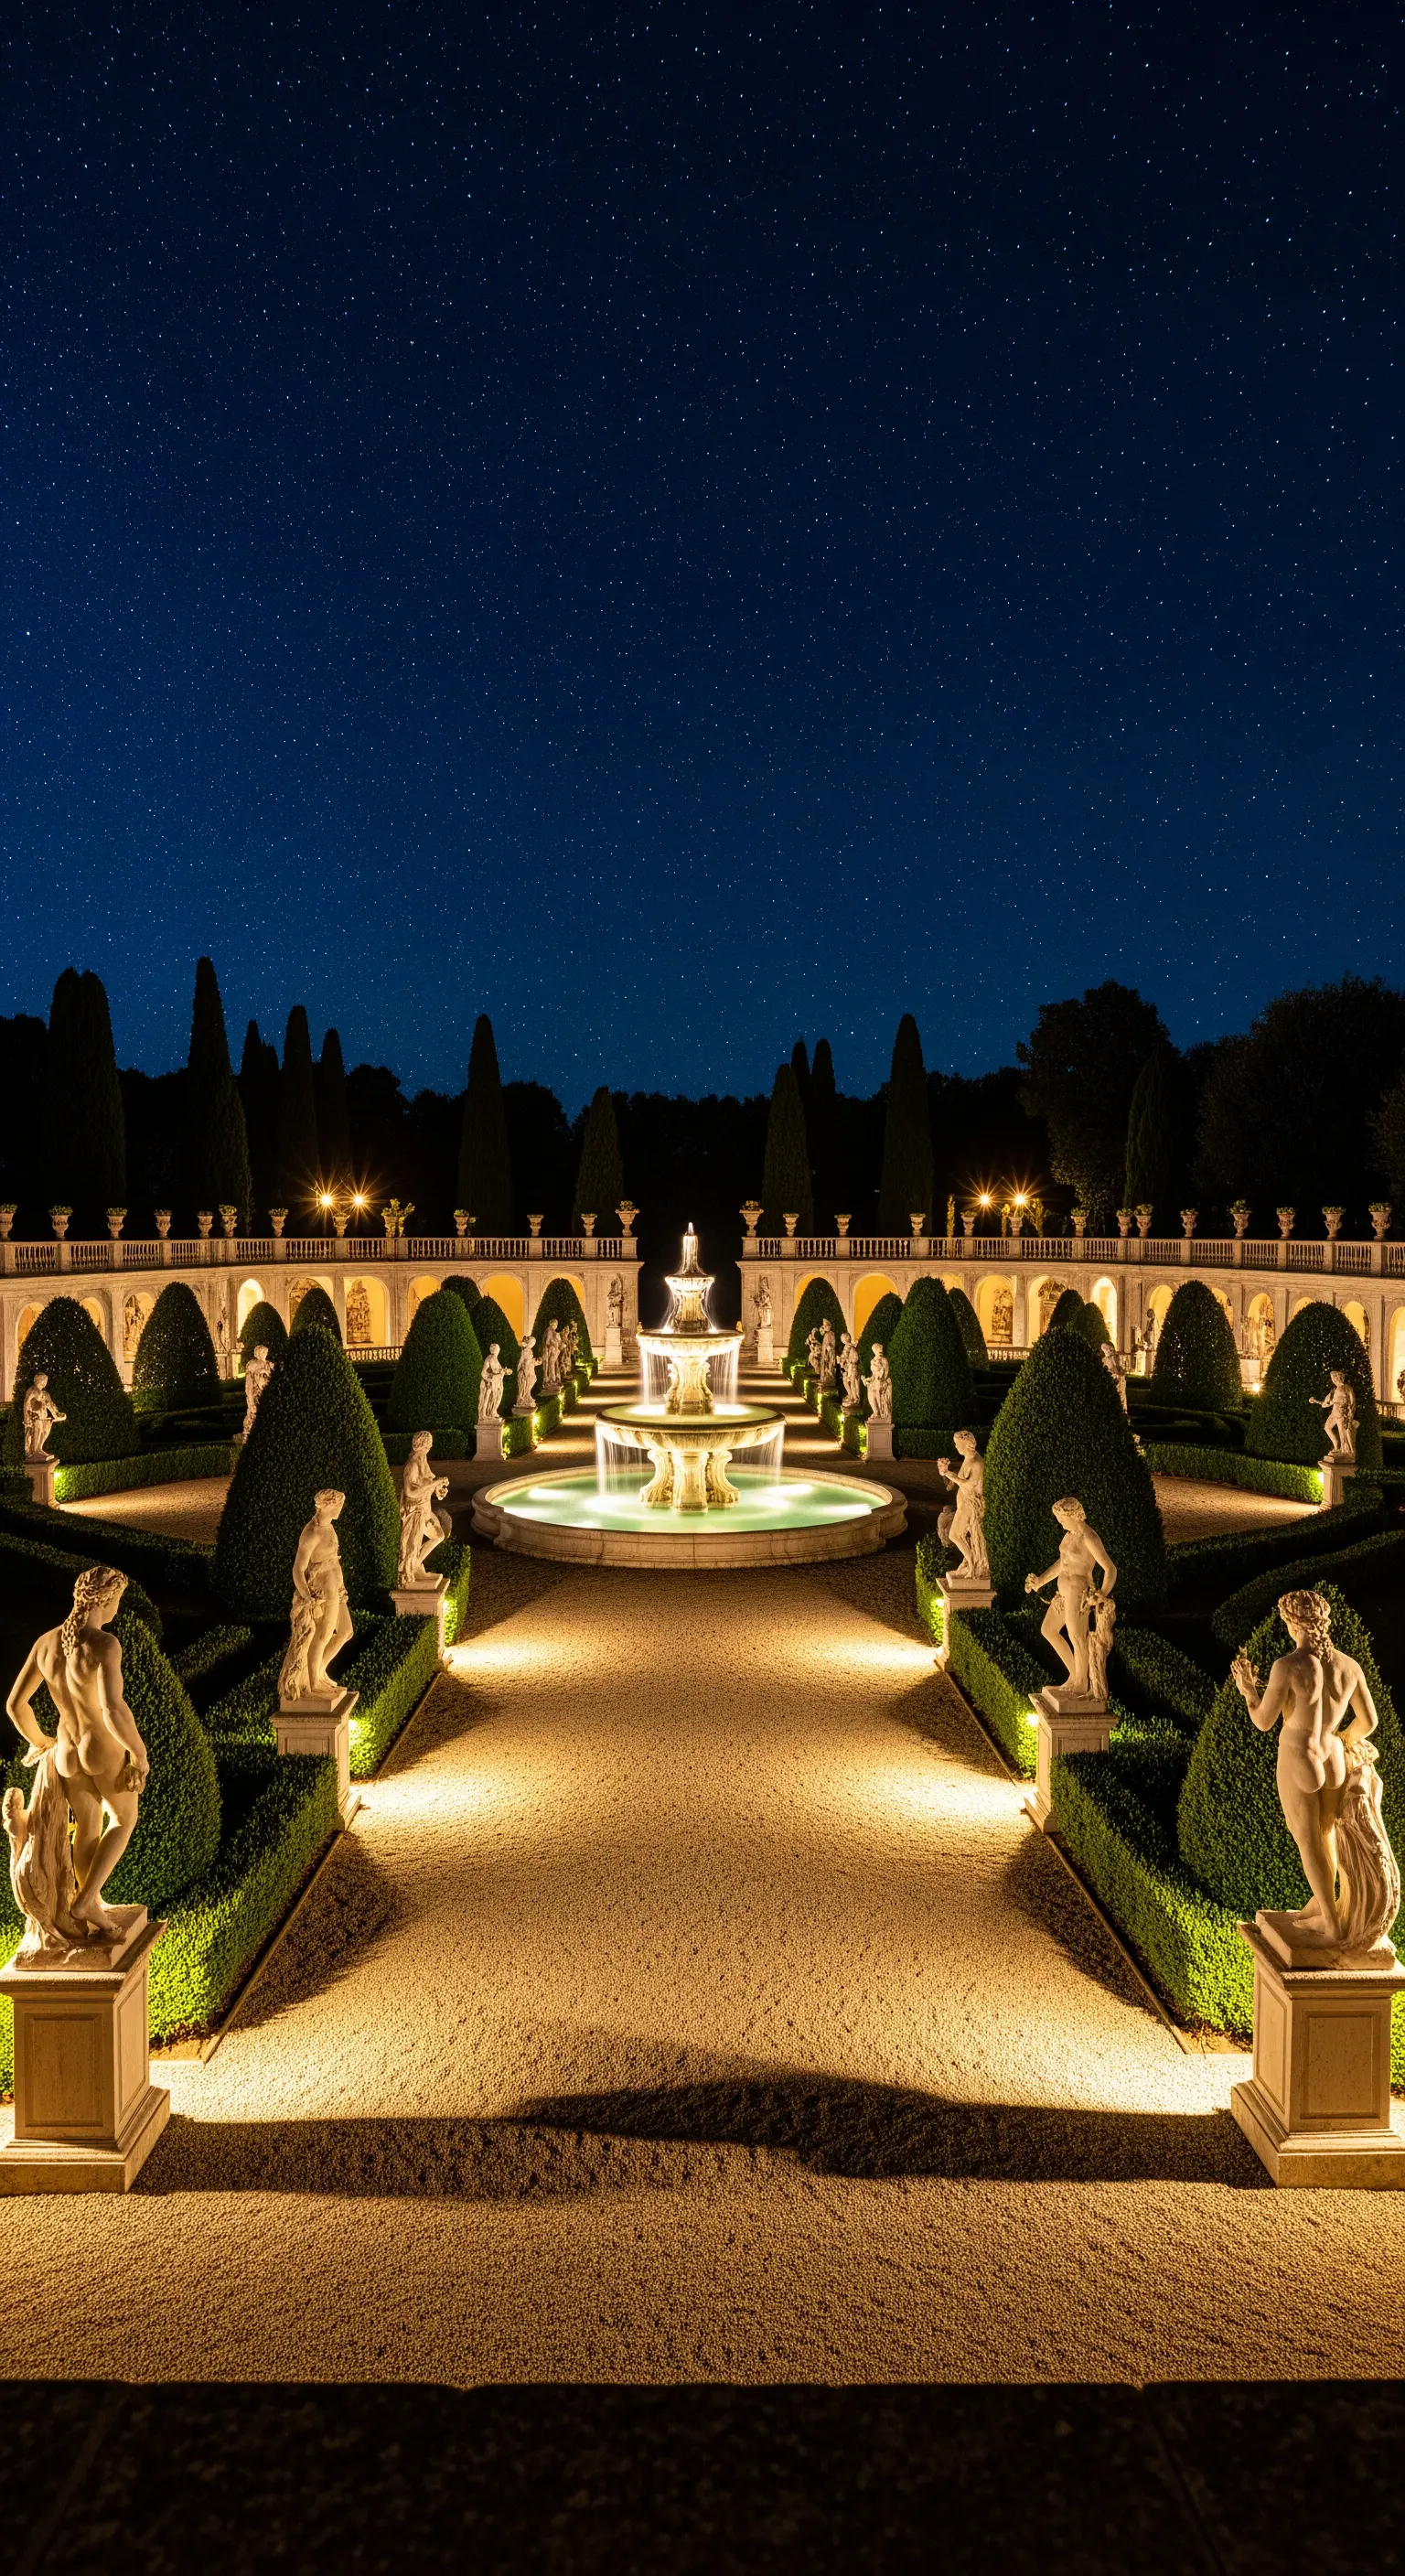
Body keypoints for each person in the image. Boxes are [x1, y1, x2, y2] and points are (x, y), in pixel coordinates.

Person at [1232, 1588, 1397, 1954]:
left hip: (1300, 1755)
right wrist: (1344, 1739)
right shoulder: (1349, 1666)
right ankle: (1322, 1906)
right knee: (1327, 1836)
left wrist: (1248, 1691)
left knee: (1308, 1839)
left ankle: (1334, 1925)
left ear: (1293, 1625)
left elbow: (1263, 1721)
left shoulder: (1288, 1666)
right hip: (1334, 1756)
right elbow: (1368, 1721)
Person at [5, 1564, 148, 1941]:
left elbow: (16, 1706)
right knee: (122, 1820)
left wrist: (41, 1743)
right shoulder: (103, 1644)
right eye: (118, 1600)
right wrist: (138, 1753)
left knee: (87, 1827)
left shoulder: (46, 1643)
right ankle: (85, 1901)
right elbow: (113, 1710)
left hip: (66, 1750)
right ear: (108, 1600)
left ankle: (91, 1900)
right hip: (101, 1747)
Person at [1024, 1497, 1116, 1701]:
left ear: (1071, 1515)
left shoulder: (1090, 1538)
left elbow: (1110, 1568)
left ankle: (1081, 1685)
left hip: (1078, 1592)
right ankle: (1075, 1676)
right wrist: (1040, 1581)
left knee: (1077, 1637)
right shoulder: (1069, 1535)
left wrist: (1101, 1594)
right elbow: (1062, 1563)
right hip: (1063, 1593)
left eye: (1061, 1518)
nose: (1060, 1523)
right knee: (1048, 1630)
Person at [279, 1490, 354, 1702]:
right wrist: (307, 1596)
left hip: (336, 1588)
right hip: (323, 1591)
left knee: (346, 1632)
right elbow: (298, 1569)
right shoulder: (312, 1533)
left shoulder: (328, 1526)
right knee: (321, 1636)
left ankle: (319, 1671)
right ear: (328, 1506)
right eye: (338, 1505)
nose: (341, 1509)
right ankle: (313, 1684)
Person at [935, 1430, 988, 1582]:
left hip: (971, 1505)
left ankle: (973, 1566)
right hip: (965, 1504)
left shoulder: (976, 1463)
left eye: (958, 1444)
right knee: (965, 1537)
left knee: (955, 1535)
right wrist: (944, 1472)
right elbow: (955, 1483)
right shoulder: (969, 1458)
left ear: (966, 1444)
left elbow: (970, 1486)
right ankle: (968, 1564)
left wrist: (948, 1473)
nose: (956, 1447)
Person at [1310, 1369, 1357, 1460]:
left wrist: (1351, 1412)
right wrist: (1315, 1401)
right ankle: (1336, 1445)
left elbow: (1352, 1401)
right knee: (1327, 1427)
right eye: (1332, 1378)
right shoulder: (1334, 1391)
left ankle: (1343, 1450)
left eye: (1333, 1377)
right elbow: (1326, 1404)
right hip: (1334, 1413)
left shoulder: (1347, 1388)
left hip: (1341, 1413)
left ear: (1338, 1378)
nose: (1333, 1380)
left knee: (1342, 1431)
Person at [22, 1373, 65, 1464]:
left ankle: (39, 1448)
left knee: (45, 1431)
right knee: (36, 1431)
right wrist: (26, 1418)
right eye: (44, 1380)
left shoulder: (45, 1394)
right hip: (34, 1418)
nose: (46, 1382)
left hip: (43, 1417)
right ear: (39, 1380)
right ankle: (35, 1451)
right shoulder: (32, 1390)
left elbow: (51, 1406)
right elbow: (26, 1403)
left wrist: (58, 1415)